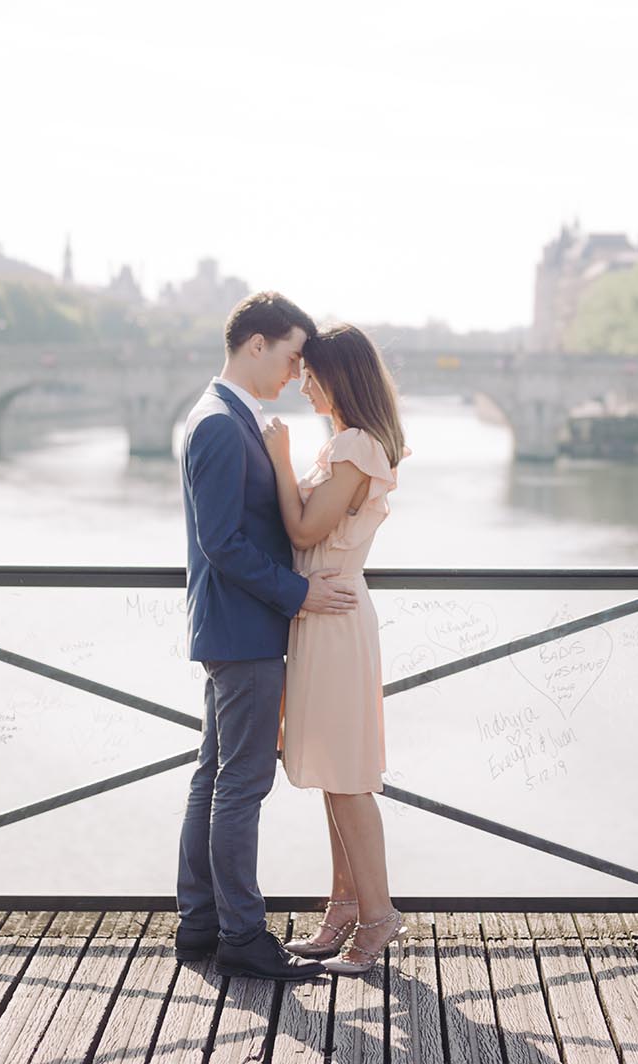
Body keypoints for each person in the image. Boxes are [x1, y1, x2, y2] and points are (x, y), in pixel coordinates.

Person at [175, 292, 360, 982]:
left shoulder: (224, 417)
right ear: (257, 344)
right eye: (290, 355)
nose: (294, 372)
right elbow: (223, 542)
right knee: (241, 786)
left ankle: (200, 924)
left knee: (214, 780)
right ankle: (242, 936)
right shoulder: (223, 425)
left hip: (232, 625)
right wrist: (302, 592)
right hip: (245, 627)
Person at [262, 323, 408, 975]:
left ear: (338, 376)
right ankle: (343, 907)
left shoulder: (355, 445)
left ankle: (378, 919)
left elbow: (304, 527)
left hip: (336, 613)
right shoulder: (348, 446)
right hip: (324, 611)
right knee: (331, 771)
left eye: (312, 374)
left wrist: (276, 456)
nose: (304, 384)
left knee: (347, 778)